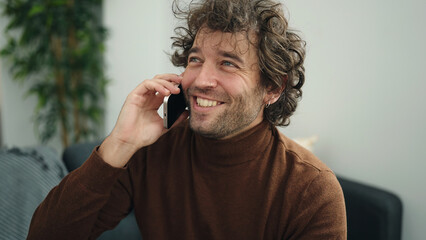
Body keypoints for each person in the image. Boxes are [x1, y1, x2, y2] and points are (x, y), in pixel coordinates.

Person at [28, 0, 346, 239]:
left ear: (273, 88)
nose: (201, 80)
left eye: (228, 63)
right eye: (195, 59)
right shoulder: (151, 151)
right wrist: (120, 143)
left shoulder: (312, 188)